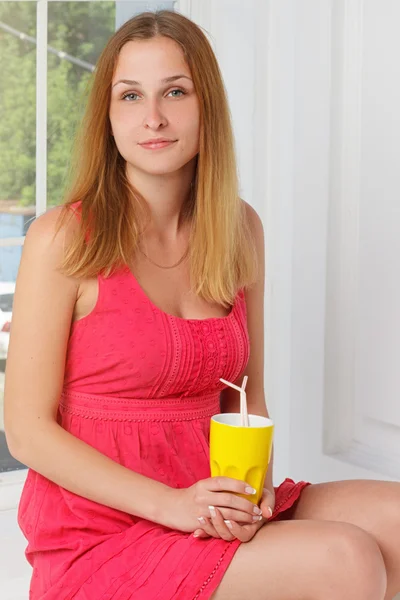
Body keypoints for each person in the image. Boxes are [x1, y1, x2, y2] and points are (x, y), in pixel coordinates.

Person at [4, 9, 400, 600]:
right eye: (130, 96)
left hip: (210, 501)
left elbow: (247, 393)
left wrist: (256, 488)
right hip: (105, 534)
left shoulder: (240, 230)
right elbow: (26, 432)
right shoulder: (62, 238)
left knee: (394, 517)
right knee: (344, 559)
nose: (154, 117)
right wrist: (172, 505)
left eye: (175, 92)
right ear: (107, 117)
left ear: (205, 104)